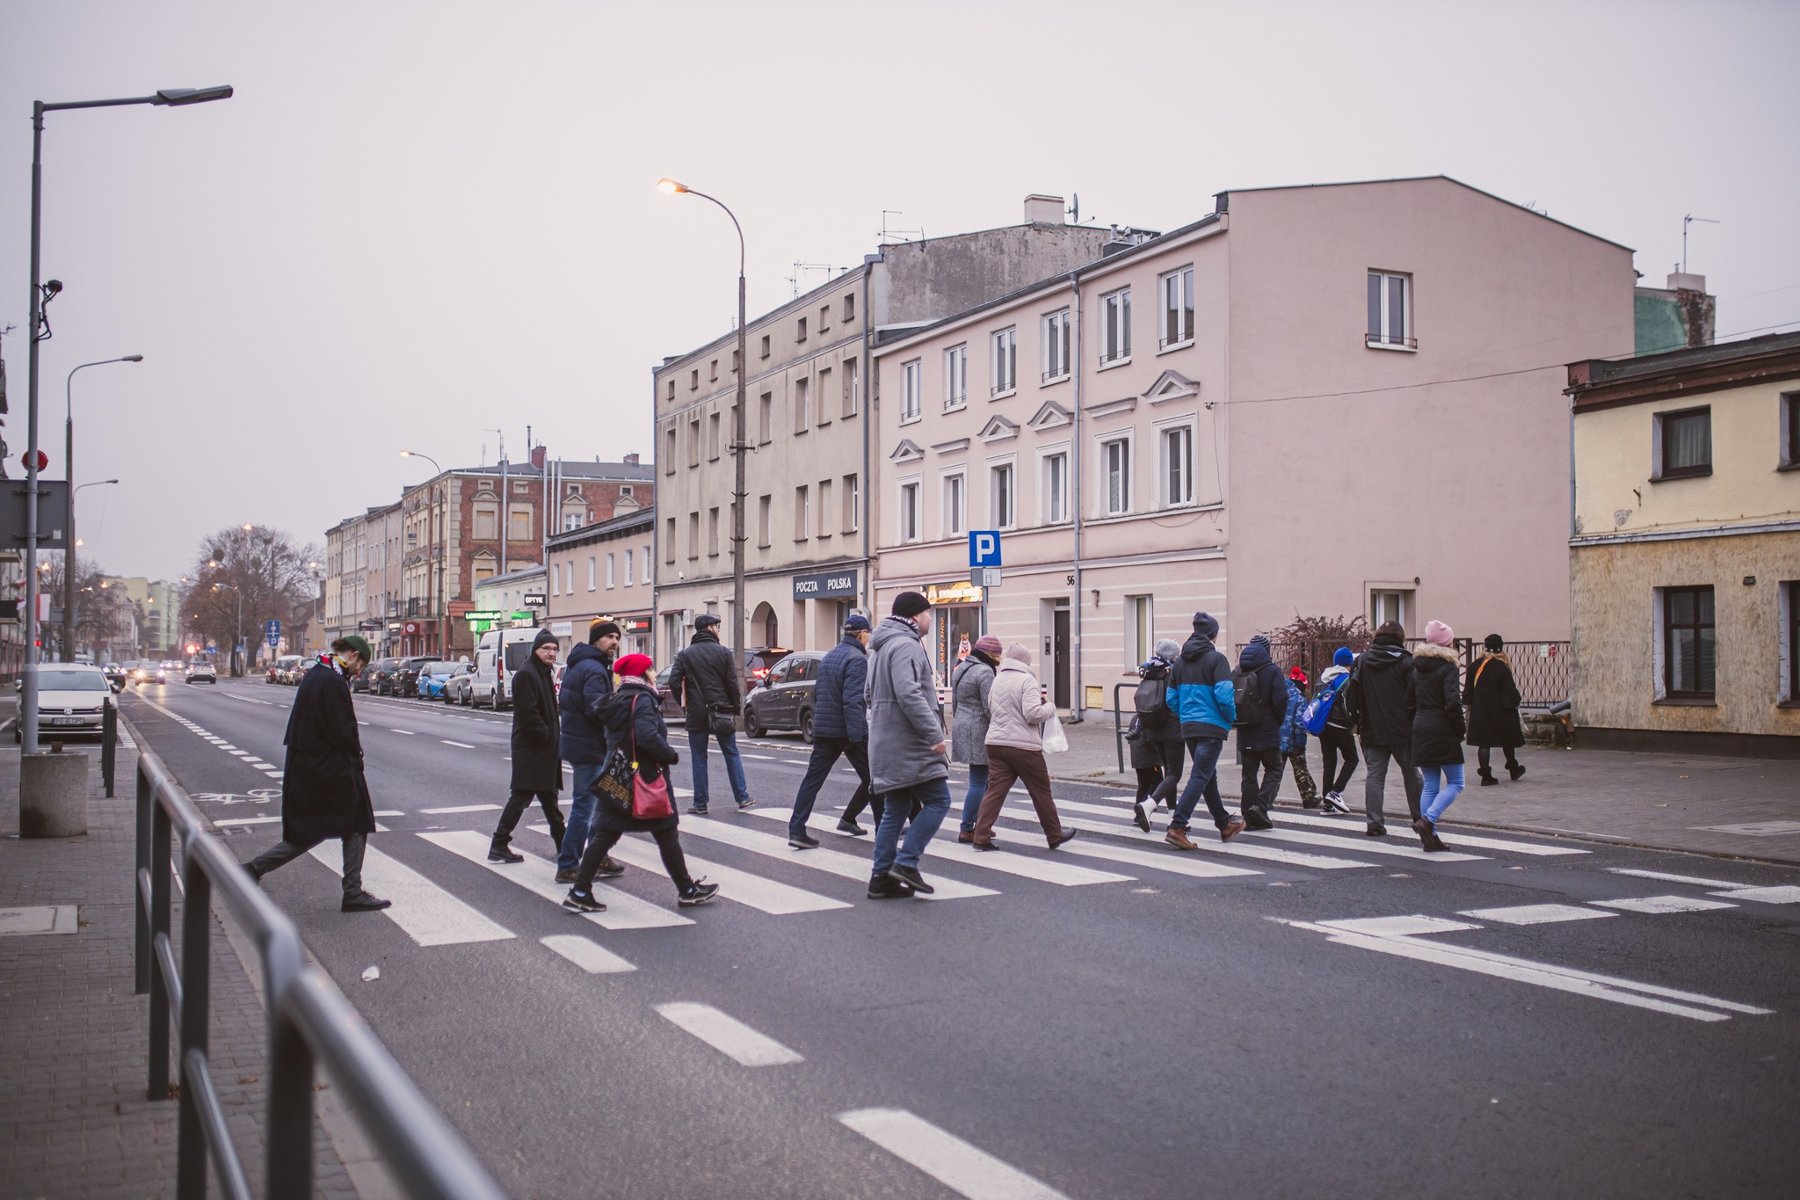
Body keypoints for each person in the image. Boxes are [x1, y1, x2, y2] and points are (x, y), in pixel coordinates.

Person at [245, 636, 390, 912]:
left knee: (317, 829)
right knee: (352, 823)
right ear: (352, 654)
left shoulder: (318, 672)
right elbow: (342, 729)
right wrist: (355, 755)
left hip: (311, 765)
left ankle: (253, 869)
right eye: (361, 664)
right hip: (327, 768)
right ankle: (352, 892)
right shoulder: (332, 680)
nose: (359, 671)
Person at [564, 654, 719, 911]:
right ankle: (686, 890)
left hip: (618, 776)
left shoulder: (618, 698)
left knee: (606, 835)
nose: (654, 673)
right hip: (646, 779)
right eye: (651, 668)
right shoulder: (643, 699)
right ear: (642, 673)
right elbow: (646, 736)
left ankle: (580, 890)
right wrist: (669, 755)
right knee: (665, 833)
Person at [864, 591, 953, 899]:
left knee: (896, 808)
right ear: (915, 616)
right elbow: (909, 694)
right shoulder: (906, 645)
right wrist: (934, 734)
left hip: (886, 741)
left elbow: (868, 695)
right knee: (939, 800)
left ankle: (880, 879)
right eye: (928, 614)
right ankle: (906, 862)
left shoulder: (880, 647)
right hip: (910, 744)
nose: (930, 619)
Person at [970, 643, 1078, 851]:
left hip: (996, 743)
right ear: (1025, 661)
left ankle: (980, 836)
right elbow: (1032, 714)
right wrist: (1050, 707)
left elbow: (992, 709)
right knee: (1041, 791)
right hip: (1023, 746)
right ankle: (1054, 834)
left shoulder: (997, 679)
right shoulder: (1027, 680)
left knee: (994, 792)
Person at [789, 614, 876, 847]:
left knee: (812, 781)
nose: (869, 637)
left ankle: (796, 830)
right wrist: (857, 734)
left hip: (824, 729)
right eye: (868, 633)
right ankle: (884, 830)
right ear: (861, 634)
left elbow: (818, 693)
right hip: (847, 730)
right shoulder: (857, 659)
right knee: (874, 780)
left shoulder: (829, 656)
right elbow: (853, 700)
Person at [1163, 612, 1247, 850]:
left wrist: (1187, 715)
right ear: (1213, 635)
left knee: (1207, 776)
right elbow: (1224, 696)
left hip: (1189, 726)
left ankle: (1224, 824)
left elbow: (1171, 698)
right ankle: (1178, 826)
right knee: (1200, 776)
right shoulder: (1217, 660)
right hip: (1211, 726)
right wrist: (1229, 717)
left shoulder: (1180, 662)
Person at [488, 628, 569, 863]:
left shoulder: (542, 672)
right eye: (546, 648)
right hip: (532, 749)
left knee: (549, 799)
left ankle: (563, 846)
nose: (551, 653)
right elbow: (528, 713)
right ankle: (499, 844)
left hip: (543, 749)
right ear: (536, 650)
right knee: (522, 797)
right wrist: (547, 736)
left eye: (554, 649)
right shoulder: (527, 674)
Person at [555, 619, 626, 882]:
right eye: (609, 637)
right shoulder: (594, 669)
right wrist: (621, 715)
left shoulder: (582, 664)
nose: (614, 642)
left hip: (581, 743)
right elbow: (597, 708)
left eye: (617, 638)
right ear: (596, 639)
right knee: (585, 807)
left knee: (599, 805)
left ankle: (597, 856)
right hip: (588, 745)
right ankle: (568, 865)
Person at [668, 613, 752, 814]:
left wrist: (685, 705)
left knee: (699, 757)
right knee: (731, 753)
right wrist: (735, 709)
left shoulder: (685, 655)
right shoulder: (723, 652)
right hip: (721, 710)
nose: (719, 630)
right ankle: (742, 797)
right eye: (717, 626)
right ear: (709, 628)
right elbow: (732, 683)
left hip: (696, 713)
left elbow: (673, 682)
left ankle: (700, 803)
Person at [1345, 620, 1421, 837]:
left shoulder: (1362, 661)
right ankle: (1420, 818)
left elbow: (1351, 694)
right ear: (1400, 638)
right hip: (1402, 730)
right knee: (1412, 774)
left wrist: (1356, 720)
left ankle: (1374, 822)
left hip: (1372, 728)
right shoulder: (1407, 662)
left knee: (1375, 777)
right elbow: (1415, 696)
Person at [1409, 620, 1466, 851]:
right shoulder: (1448, 667)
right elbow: (1453, 701)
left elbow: (1408, 701)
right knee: (1456, 782)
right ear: (1447, 643)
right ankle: (1428, 821)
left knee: (1431, 785)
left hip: (1421, 725)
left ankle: (1430, 838)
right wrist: (1459, 729)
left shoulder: (1417, 668)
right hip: (1442, 727)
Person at [1129, 639, 1185, 832]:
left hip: (1153, 731)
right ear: (1173, 655)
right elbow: (1176, 701)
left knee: (1169, 774)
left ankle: (1172, 816)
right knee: (1174, 774)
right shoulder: (1171, 673)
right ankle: (1148, 806)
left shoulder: (1151, 670)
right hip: (1172, 730)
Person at [1233, 633, 1288, 830]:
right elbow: (1280, 700)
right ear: (1267, 650)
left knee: (1249, 775)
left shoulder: (1238, 670)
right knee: (1274, 768)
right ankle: (1261, 806)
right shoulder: (1272, 671)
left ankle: (1249, 818)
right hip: (1267, 730)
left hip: (1245, 729)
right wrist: (1277, 721)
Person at [949, 634, 1000, 843]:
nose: (999, 659)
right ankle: (968, 828)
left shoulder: (961, 667)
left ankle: (980, 824)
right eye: (997, 655)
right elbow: (989, 706)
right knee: (979, 781)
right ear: (990, 654)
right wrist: (998, 726)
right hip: (979, 728)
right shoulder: (985, 671)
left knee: (980, 779)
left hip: (962, 725)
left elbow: (954, 702)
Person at [1467, 633, 1526, 785]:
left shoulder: (1475, 666)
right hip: (1501, 711)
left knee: (1484, 743)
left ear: (1485, 648)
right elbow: (1510, 691)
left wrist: (1471, 704)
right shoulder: (1501, 667)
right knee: (1507, 739)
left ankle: (1486, 776)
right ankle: (1513, 768)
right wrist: (1515, 701)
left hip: (1480, 711)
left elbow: (1468, 692)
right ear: (1501, 648)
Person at [1314, 647, 1358, 813]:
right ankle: (1335, 792)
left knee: (1329, 763)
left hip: (1323, 724)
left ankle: (1327, 802)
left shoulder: (1323, 677)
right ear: (1349, 663)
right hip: (1339, 724)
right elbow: (1350, 704)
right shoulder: (1346, 679)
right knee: (1352, 759)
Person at [1281, 666, 1320, 808]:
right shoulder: (1299, 699)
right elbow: (1300, 723)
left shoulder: (1279, 694)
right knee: (1300, 770)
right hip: (1293, 741)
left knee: (1275, 772)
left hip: (1278, 740)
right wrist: (1301, 741)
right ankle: (1308, 797)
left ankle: (1267, 798)